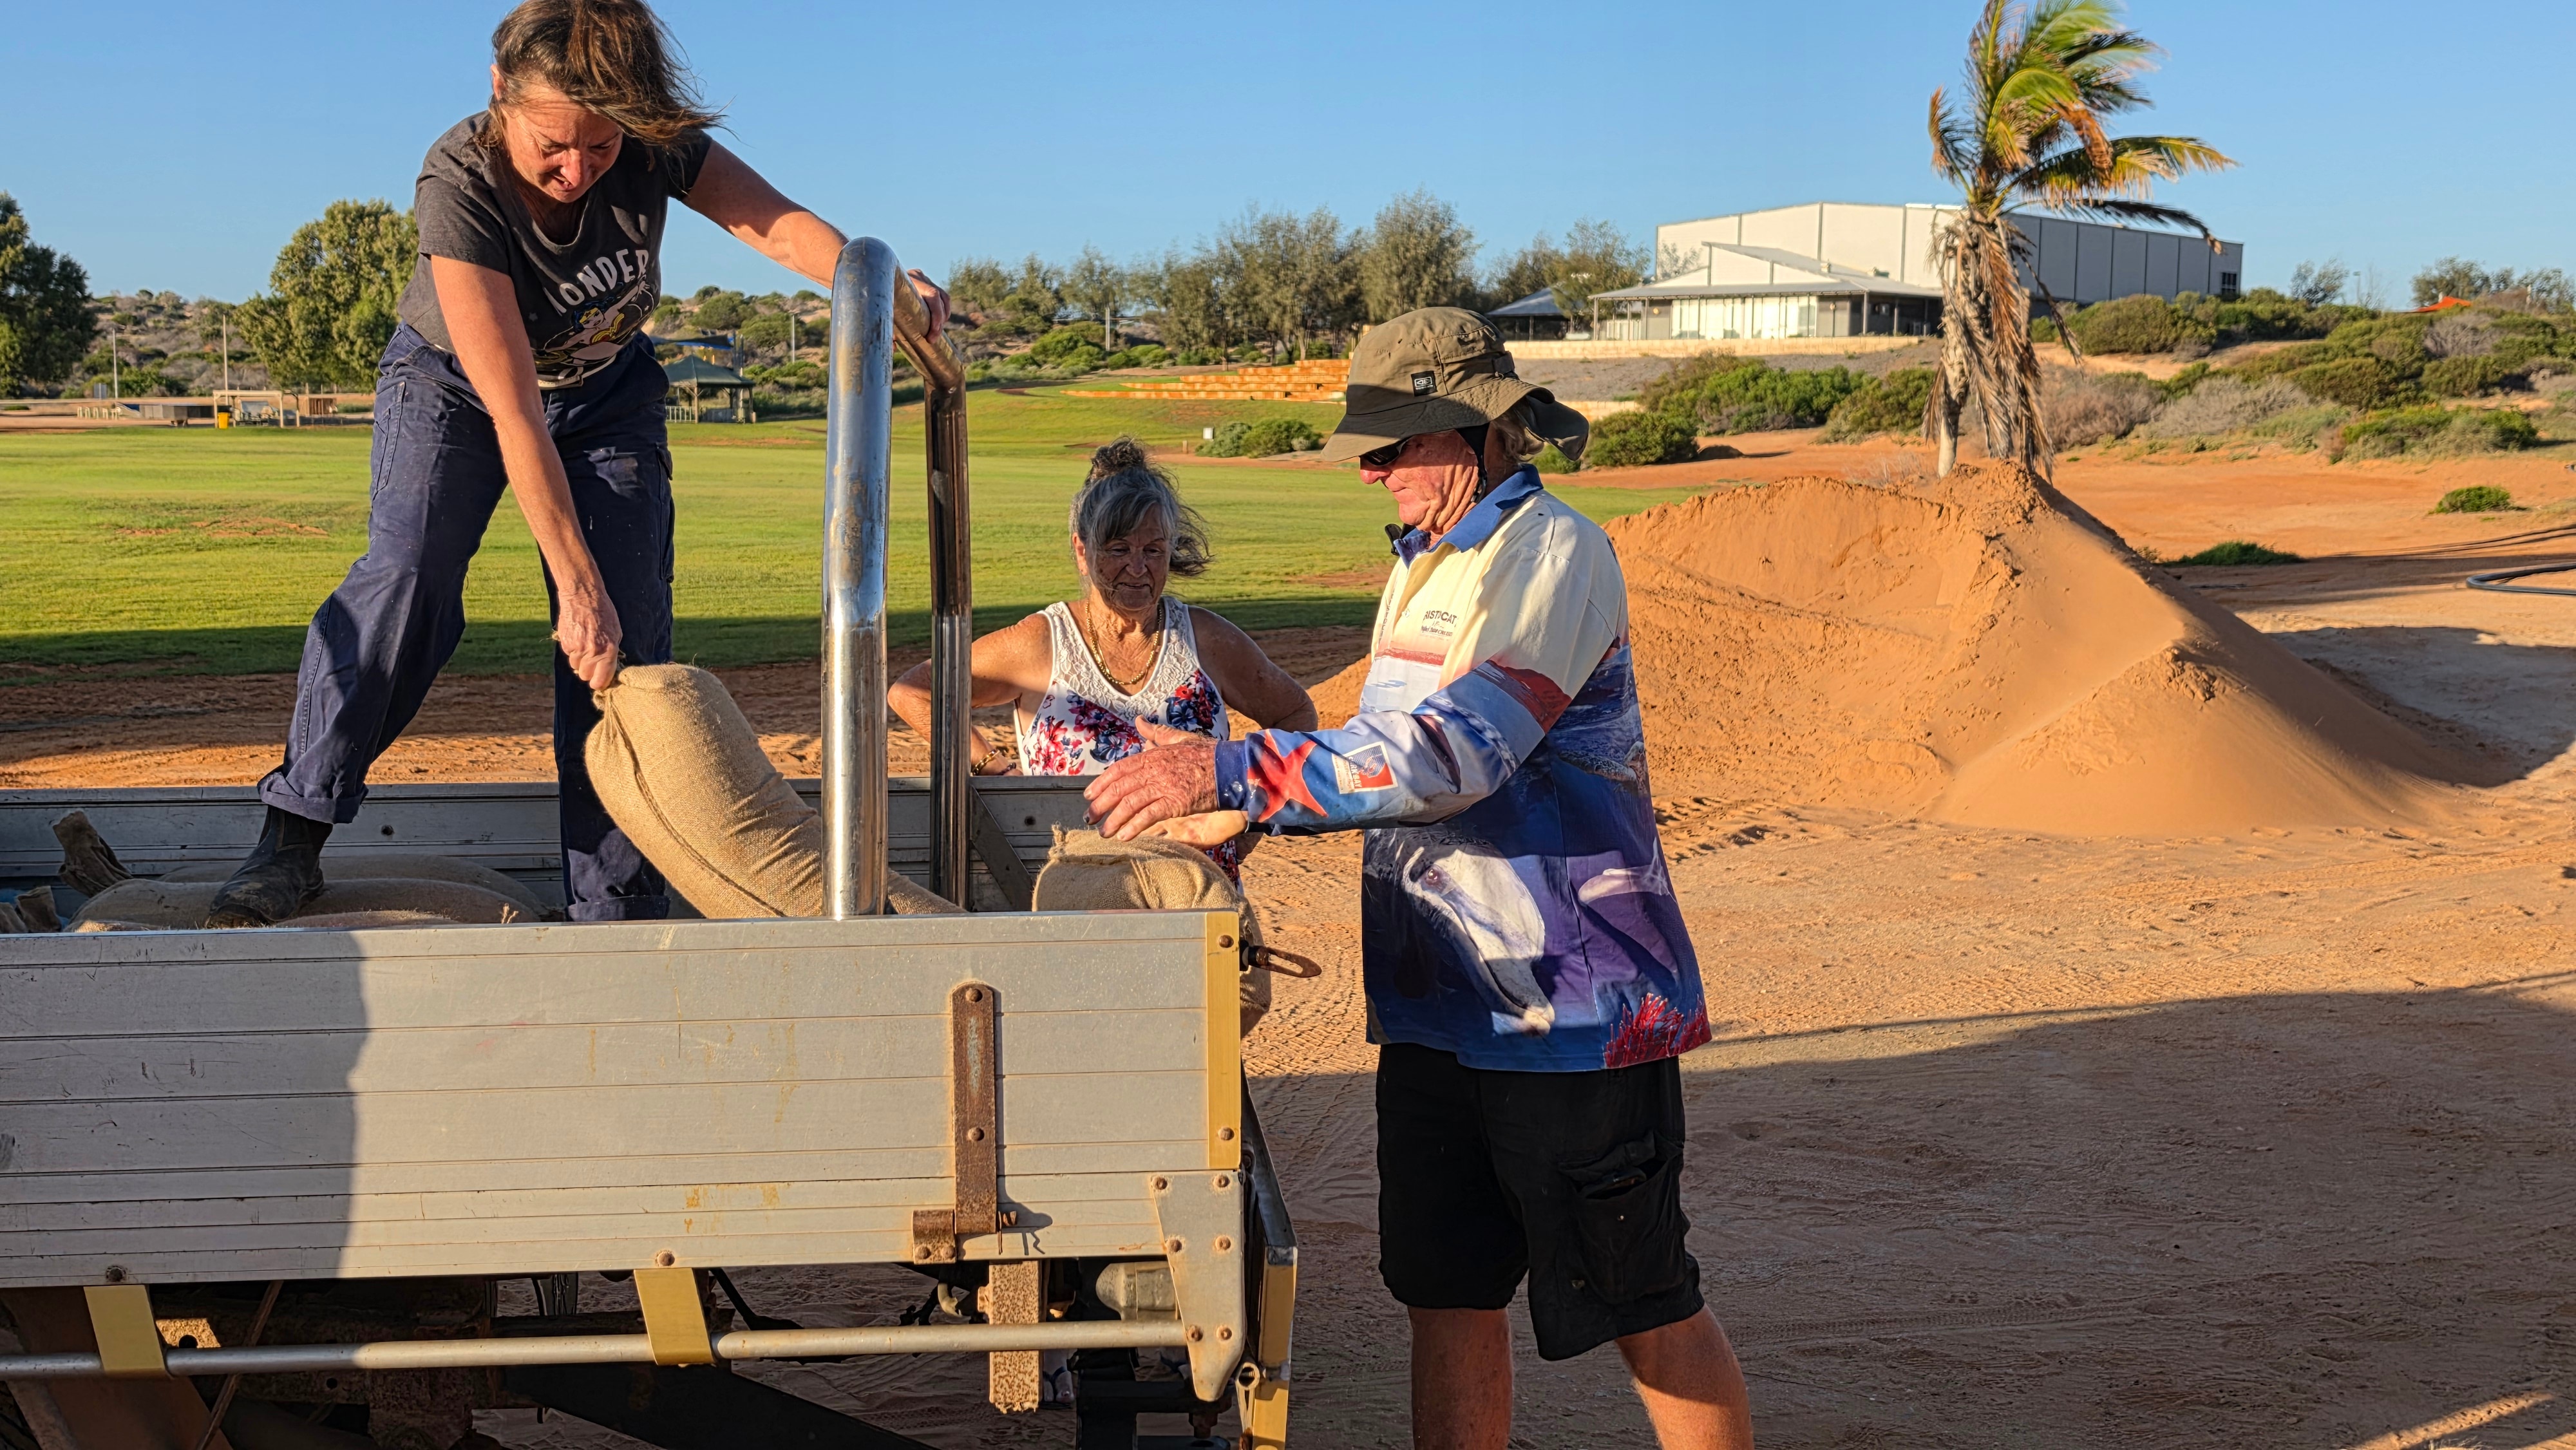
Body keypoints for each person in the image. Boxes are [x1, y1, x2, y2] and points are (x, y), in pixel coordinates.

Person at [1083, 309, 1754, 1449]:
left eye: (1400, 442)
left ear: (1483, 432)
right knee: (1445, 1295)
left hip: (1567, 1012)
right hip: (1440, 1012)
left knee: (1644, 1304)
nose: (1375, 466)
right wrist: (1240, 814)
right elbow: (1380, 766)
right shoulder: (1426, 567)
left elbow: (1456, 755)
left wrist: (1235, 766)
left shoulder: (1550, 553)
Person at [207, 0, 947, 927]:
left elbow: (771, 223)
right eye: (554, 145)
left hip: (608, 391)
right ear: (498, 93)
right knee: (410, 574)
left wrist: (875, 278)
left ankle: (617, 910)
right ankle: (293, 835)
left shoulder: (646, 139)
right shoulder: (458, 180)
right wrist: (572, 584)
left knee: (625, 641)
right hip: (462, 391)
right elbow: (515, 412)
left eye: (600, 149)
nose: (577, 170)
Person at [886, 438, 1318, 877]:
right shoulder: (1041, 643)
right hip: (1073, 905)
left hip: (1199, 904)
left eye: (1153, 550)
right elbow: (913, 692)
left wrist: (1251, 820)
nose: (1138, 567)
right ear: (1081, 549)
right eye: (1117, 549)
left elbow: (1294, 713)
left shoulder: (1206, 639)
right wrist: (987, 765)